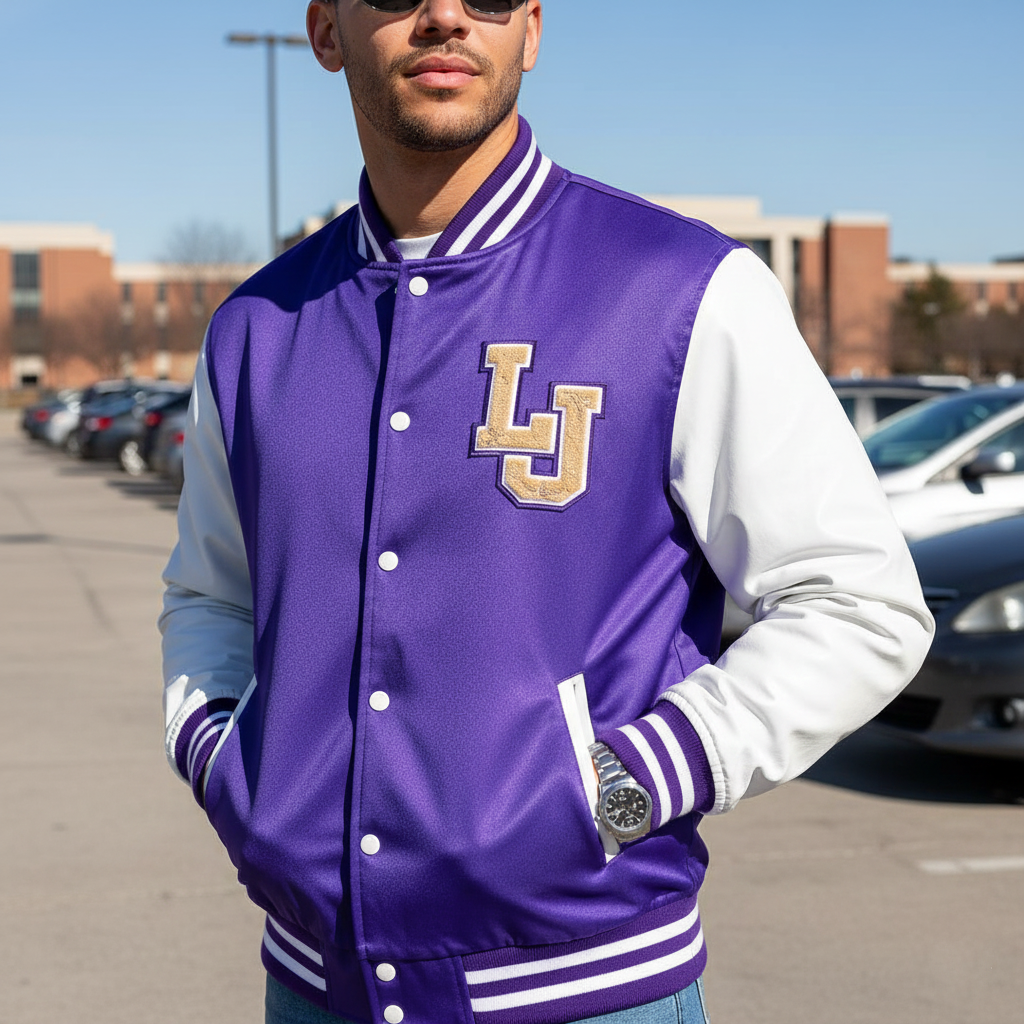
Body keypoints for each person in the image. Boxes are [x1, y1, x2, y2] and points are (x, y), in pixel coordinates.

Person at [159, 2, 934, 1023]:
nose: (444, 13)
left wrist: (620, 785)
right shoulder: (254, 329)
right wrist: (222, 758)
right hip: (313, 988)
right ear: (327, 30)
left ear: (530, 29)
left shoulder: (684, 289)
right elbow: (211, 595)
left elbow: (860, 604)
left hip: (590, 989)